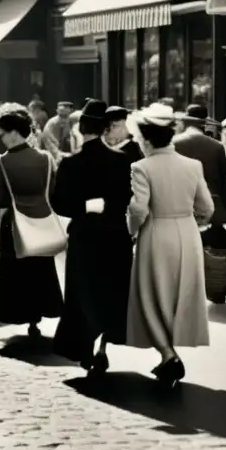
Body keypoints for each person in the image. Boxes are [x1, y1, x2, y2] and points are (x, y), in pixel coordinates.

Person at [125, 103, 214, 386]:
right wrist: (194, 221)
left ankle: (167, 353)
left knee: (150, 295)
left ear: (147, 139)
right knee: (180, 294)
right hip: (187, 232)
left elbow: (139, 209)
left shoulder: (141, 167)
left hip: (156, 231)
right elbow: (207, 207)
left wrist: (131, 231)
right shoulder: (192, 165)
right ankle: (169, 353)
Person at [52, 99, 133, 376]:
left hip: (85, 236)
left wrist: (85, 206)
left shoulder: (70, 164)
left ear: (81, 128)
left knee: (82, 293)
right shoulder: (122, 161)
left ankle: (84, 347)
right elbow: (126, 199)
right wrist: (108, 206)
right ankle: (103, 348)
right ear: (105, 128)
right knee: (111, 292)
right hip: (114, 235)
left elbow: (59, 203)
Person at [0, 103, 63, 338]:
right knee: (40, 270)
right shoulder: (46, 159)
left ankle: (23, 314)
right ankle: (38, 314)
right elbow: (54, 192)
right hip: (42, 218)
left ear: (13, 132)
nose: (0, 137)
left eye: (1, 132)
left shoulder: (1, 162)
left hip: (15, 223)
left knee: (17, 272)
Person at [173, 104, 226, 254]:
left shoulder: (174, 144)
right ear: (204, 124)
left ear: (186, 122)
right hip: (211, 210)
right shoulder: (216, 147)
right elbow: (225, 182)